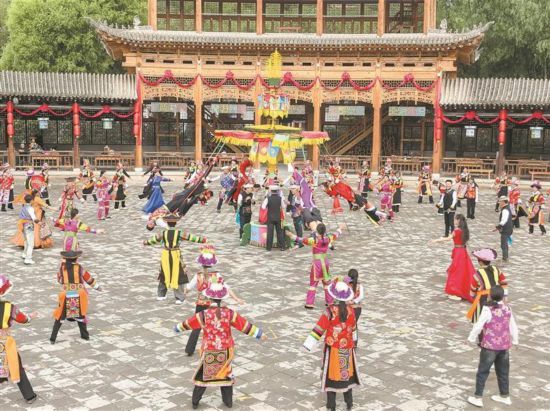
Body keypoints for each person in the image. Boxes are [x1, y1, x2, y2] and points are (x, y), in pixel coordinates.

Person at [174, 278, 267, 409]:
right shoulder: (229, 313)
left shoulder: (204, 314)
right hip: (225, 348)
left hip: (209, 349)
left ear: (209, 298)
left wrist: (177, 328)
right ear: (222, 298)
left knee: (204, 375)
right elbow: (244, 325)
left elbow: (189, 323)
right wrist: (259, 334)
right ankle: (228, 402)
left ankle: (195, 402)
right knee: (225, 373)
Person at [304, 276, 360, 411]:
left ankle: (331, 405)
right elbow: (354, 329)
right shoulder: (351, 311)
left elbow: (319, 328)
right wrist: (354, 344)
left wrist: (308, 345)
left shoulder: (330, 311)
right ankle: (349, 402)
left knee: (331, 375)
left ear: (334, 295)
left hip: (333, 349)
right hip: (347, 349)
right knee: (346, 374)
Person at [184, 246, 245, 356]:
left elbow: (188, 288)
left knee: (197, 325)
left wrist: (185, 291)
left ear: (201, 263)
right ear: (212, 264)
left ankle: (189, 349)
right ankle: (217, 346)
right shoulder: (216, 276)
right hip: (214, 305)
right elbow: (226, 287)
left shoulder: (198, 276)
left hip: (201, 304)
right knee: (216, 326)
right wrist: (236, 298)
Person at [467, 286, 518, 408]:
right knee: (503, 372)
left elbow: (478, 325)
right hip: (504, 346)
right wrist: (515, 341)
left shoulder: (487, 309)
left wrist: (470, 338)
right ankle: (505, 396)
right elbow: (513, 326)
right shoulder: (508, 308)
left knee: (483, 372)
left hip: (489, 346)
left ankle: (478, 397)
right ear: (502, 296)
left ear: (490, 295)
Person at [143, 214, 207, 304]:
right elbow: (191, 237)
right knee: (178, 274)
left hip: (165, 255)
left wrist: (145, 242)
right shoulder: (179, 233)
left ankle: (161, 295)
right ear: (175, 223)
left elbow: (153, 240)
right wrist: (202, 240)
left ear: (167, 223)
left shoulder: (163, 233)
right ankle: (179, 298)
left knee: (164, 273)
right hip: (176, 255)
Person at [286, 223, 344, 309]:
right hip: (325, 262)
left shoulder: (314, 240)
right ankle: (330, 301)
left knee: (313, 284)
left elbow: (302, 240)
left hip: (317, 264)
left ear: (317, 231)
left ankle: (310, 303)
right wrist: (340, 228)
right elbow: (336, 234)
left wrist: (291, 235)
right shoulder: (328, 238)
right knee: (327, 283)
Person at [0, 275, 38, 404]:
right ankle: (29, 396)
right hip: (4, 342)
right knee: (16, 365)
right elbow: (23, 319)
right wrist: (31, 316)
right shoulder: (9, 307)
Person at [50, 251, 102, 344]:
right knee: (81, 315)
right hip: (79, 295)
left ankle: (53, 338)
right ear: (76, 259)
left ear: (65, 259)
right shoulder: (79, 268)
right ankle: (85, 336)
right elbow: (88, 279)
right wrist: (97, 287)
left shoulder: (62, 268)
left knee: (60, 316)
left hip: (66, 294)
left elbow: (60, 280)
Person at [432, 214, 475, 301]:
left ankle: (455, 291)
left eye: (455, 219)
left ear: (458, 220)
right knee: (464, 271)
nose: (454, 221)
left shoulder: (457, 230)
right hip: (463, 251)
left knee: (456, 272)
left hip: (458, 252)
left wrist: (436, 240)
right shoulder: (464, 230)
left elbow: (448, 238)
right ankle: (463, 289)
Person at [467, 248, 508, 324]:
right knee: (495, 317)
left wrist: (473, 296)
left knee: (481, 320)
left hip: (483, 300)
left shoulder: (477, 274)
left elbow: (472, 290)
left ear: (480, 262)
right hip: (496, 296)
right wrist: (504, 296)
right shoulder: (496, 269)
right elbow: (504, 282)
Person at [16, 195, 40, 265]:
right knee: (31, 244)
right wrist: (40, 223)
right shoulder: (30, 208)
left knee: (26, 240)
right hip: (29, 225)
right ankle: (28, 259)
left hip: (23, 225)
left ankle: (24, 254)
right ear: (31, 200)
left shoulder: (23, 206)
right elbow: (34, 218)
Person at [263, 185, 286, 251]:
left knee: (270, 233)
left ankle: (268, 248)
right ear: (277, 191)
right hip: (278, 217)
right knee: (280, 232)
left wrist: (268, 206)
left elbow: (263, 207)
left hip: (270, 218)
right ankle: (282, 247)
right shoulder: (280, 198)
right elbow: (283, 207)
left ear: (270, 191)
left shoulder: (268, 198)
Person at [347, 269, 364, 347]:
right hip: (357, 308)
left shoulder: (347, 285)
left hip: (349, 307)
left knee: (348, 324)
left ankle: (349, 340)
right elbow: (361, 296)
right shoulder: (360, 286)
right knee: (354, 324)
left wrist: (350, 301)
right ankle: (354, 342)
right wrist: (355, 301)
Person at [495, 196, 513, 262]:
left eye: (500, 202)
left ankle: (505, 258)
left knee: (503, 244)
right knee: (505, 244)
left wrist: (498, 227)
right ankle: (505, 256)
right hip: (508, 229)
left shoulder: (505, 210)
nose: (499, 203)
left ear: (503, 202)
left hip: (506, 229)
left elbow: (504, 220)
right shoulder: (506, 208)